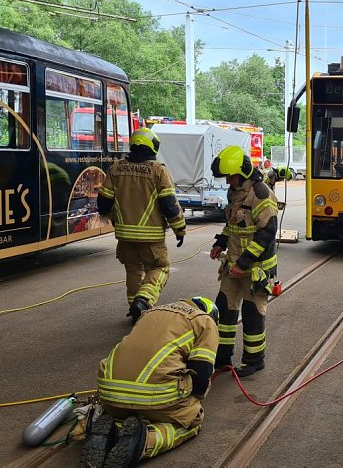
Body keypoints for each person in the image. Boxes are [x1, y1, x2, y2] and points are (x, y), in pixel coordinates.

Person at [81, 297, 219, 467]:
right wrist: (192, 403)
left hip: (109, 392)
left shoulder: (149, 313)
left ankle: (109, 429)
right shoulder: (204, 321)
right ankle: (143, 441)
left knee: (130, 412)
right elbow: (201, 374)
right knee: (191, 420)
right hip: (157, 397)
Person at [97, 127, 186, 323]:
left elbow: (103, 204)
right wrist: (180, 229)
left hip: (124, 237)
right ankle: (144, 301)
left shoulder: (115, 169)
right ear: (152, 147)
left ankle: (135, 313)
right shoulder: (158, 170)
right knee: (160, 268)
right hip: (152, 237)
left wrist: (117, 217)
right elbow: (170, 206)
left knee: (133, 271)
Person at [209, 146, 279, 377]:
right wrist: (221, 242)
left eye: (231, 176)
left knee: (252, 314)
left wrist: (244, 263)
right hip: (233, 265)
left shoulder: (261, 195)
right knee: (224, 311)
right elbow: (233, 224)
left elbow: (267, 234)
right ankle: (221, 359)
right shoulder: (235, 193)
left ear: (244, 172)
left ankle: (254, 360)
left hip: (255, 269)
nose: (228, 181)